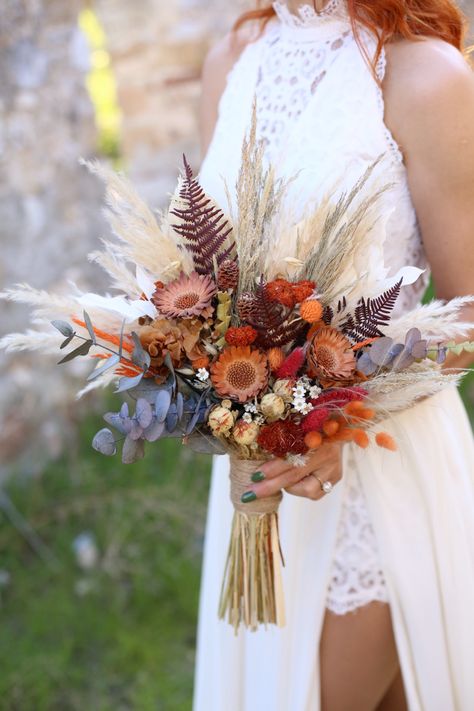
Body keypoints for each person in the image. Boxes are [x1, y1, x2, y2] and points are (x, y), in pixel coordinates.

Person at [193, 1, 474, 709]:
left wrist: (341, 405)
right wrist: (223, 404)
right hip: (259, 481)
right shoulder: (233, 57)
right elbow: (205, 278)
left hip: (382, 478)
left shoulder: (424, 76)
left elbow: (468, 313)